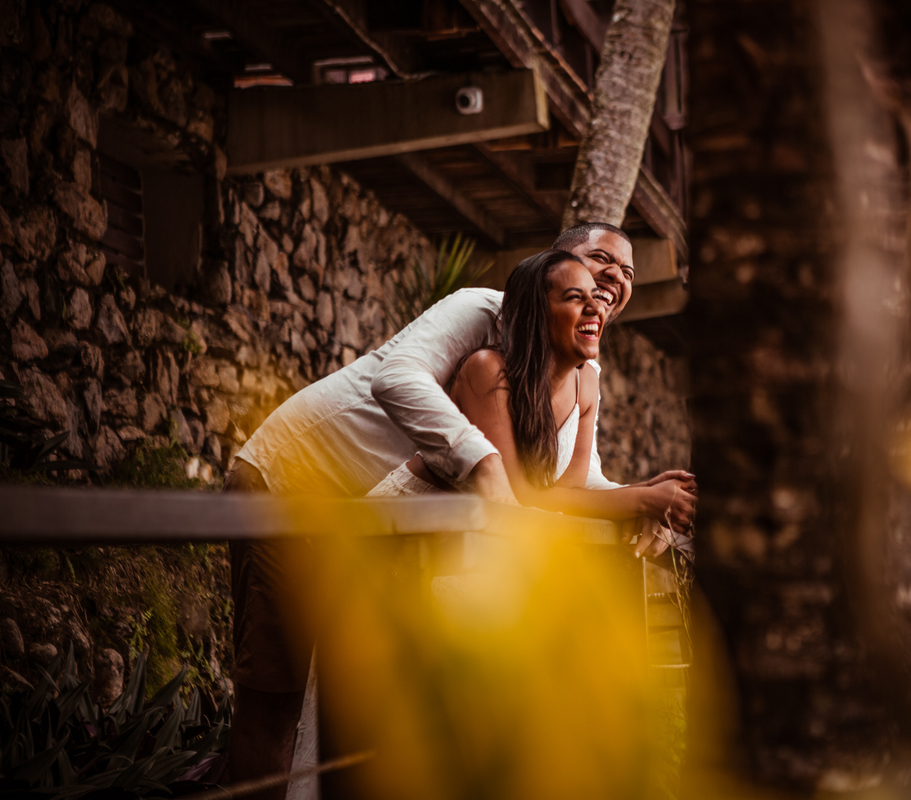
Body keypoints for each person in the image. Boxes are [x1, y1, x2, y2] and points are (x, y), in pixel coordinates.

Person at [224, 223, 694, 796]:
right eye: (602, 261)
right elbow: (398, 378)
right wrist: (486, 463)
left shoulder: (578, 372)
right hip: (294, 483)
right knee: (277, 694)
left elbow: (573, 480)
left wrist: (639, 502)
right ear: (554, 262)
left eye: (627, 274)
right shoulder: (481, 318)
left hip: (382, 528)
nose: (616, 279)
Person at [368, 249, 697, 533]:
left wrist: (647, 492)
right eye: (574, 297)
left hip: (468, 536)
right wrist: (642, 501)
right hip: (399, 524)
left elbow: (568, 496)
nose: (595, 307)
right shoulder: (488, 370)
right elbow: (520, 495)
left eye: (595, 297)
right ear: (537, 312)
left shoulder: (587, 385)